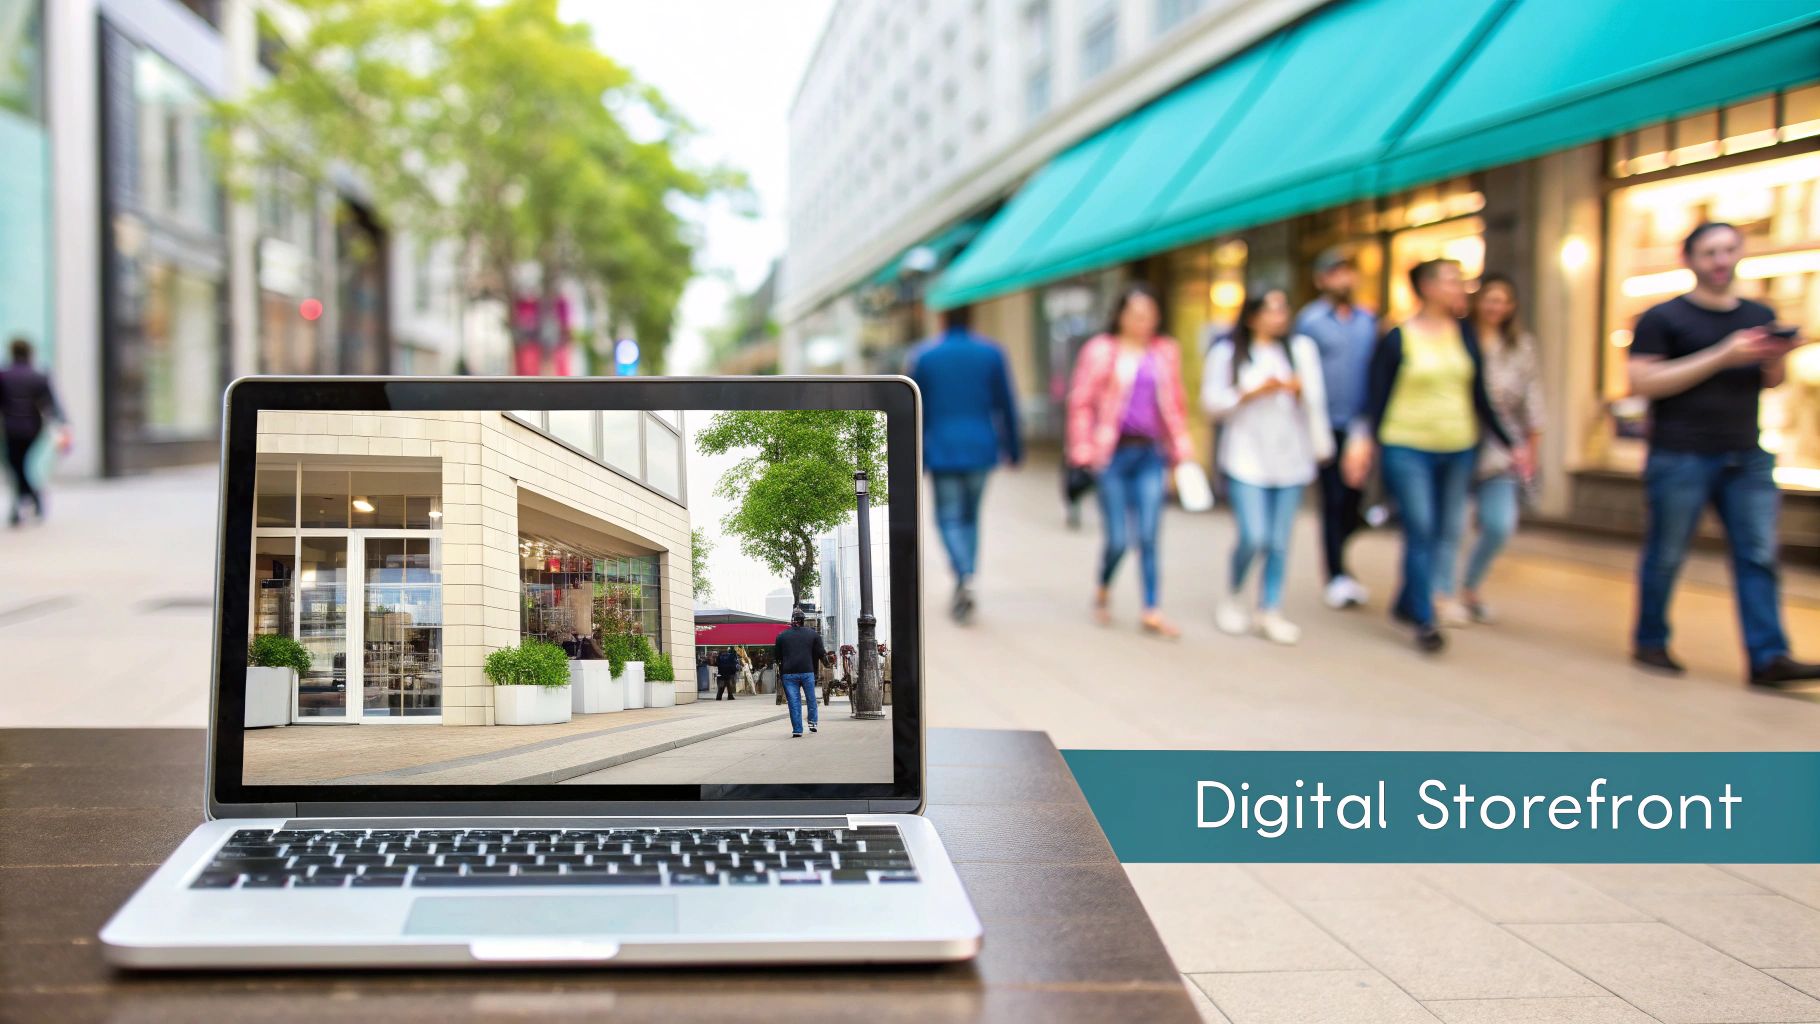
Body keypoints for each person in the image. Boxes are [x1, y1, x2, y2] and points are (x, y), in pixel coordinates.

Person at [1627, 222, 1820, 688]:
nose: (1721, 260)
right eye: (1710, 252)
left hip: (1746, 454)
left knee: (1759, 555)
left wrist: (1775, 355)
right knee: (1667, 553)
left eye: (1729, 249)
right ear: (1689, 259)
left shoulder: (1758, 313)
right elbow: (1643, 382)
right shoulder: (1661, 318)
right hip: (1680, 454)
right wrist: (1722, 355)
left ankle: (1768, 657)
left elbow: (1771, 382)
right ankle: (1651, 639)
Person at [1343, 259, 1510, 654]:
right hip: (1406, 444)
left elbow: (1479, 395)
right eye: (1451, 280)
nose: (1459, 287)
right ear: (1427, 287)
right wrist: (1363, 442)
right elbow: (1376, 395)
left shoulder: (1465, 335)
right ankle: (1424, 617)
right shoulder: (1397, 337)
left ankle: (1408, 600)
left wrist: (1510, 442)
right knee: (1420, 526)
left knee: (1445, 529)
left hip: (1458, 445)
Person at [1202, 287, 1333, 645]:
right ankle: (1234, 593)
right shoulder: (1228, 353)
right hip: (1246, 458)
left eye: (1282, 309)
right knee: (1253, 535)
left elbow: (1317, 402)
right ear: (1252, 315)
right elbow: (1212, 404)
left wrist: (1297, 390)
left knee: (1279, 541)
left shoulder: (1301, 350)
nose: (1279, 317)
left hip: (1291, 458)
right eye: (1270, 310)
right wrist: (1249, 393)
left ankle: (1270, 608)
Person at [1065, 283, 1196, 638]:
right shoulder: (1101, 351)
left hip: (1150, 453)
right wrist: (1082, 450)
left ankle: (1152, 607)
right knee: (1118, 539)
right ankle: (1103, 588)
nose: (1144, 321)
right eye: (1136, 314)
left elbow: (1175, 404)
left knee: (1150, 533)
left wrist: (1182, 449)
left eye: (1149, 314)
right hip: (1112, 455)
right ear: (1120, 316)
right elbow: (1081, 403)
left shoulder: (1165, 352)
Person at [1432, 273, 1543, 626]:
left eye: (1503, 301)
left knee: (1499, 524)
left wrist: (1530, 447)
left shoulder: (1521, 346)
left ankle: (1470, 586)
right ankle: (1441, 593)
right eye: (1490, 299)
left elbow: (1533, 400)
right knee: (1451, 524)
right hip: (1457, 438)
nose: (1496, 307)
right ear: (1478, 301)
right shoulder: (1455, 337)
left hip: (1501, 447)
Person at [906, 304, 1023, 623]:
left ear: (942, 318)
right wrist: (1014, 448)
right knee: (971, 516)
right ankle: (967, 575)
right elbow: (1007, 403)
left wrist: (912, 454)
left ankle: (963, 574)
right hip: (981, 447)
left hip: (941, 448)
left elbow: (913, 407)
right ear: (972, 317)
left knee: (948, 517)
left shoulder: (925, 357)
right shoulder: (992, 353)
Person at [1295, 250, 1378, 611]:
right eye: (1335, 273)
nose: (1343, 279)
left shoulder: (1368, 321)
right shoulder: (1309, 322)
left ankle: (1344, 555)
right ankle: (1336, 574)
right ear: (1321, 280)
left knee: (1353, 499)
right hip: (1324, 425)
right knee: (1333, 499)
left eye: (1347, 272)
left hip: (1360, 425)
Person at [1, 337, 65, 527]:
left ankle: (22, 503)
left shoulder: (4, 376)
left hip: (11, 428)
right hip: (32, 429)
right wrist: (62, 423)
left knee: (16, 465)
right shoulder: (38, 376)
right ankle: (29, 500)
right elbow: (51, 404)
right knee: (19, 465)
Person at [773, 608, 834, 737]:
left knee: (794, 702)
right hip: (807, 671)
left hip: (788, 673)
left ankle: (797, 730)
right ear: (803, 620)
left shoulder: (781, 636)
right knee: (811, 698)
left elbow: (777, 657)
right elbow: (821, 654)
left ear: (792, 620)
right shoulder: (813, 634)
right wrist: (828, 665)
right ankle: (812, 723)